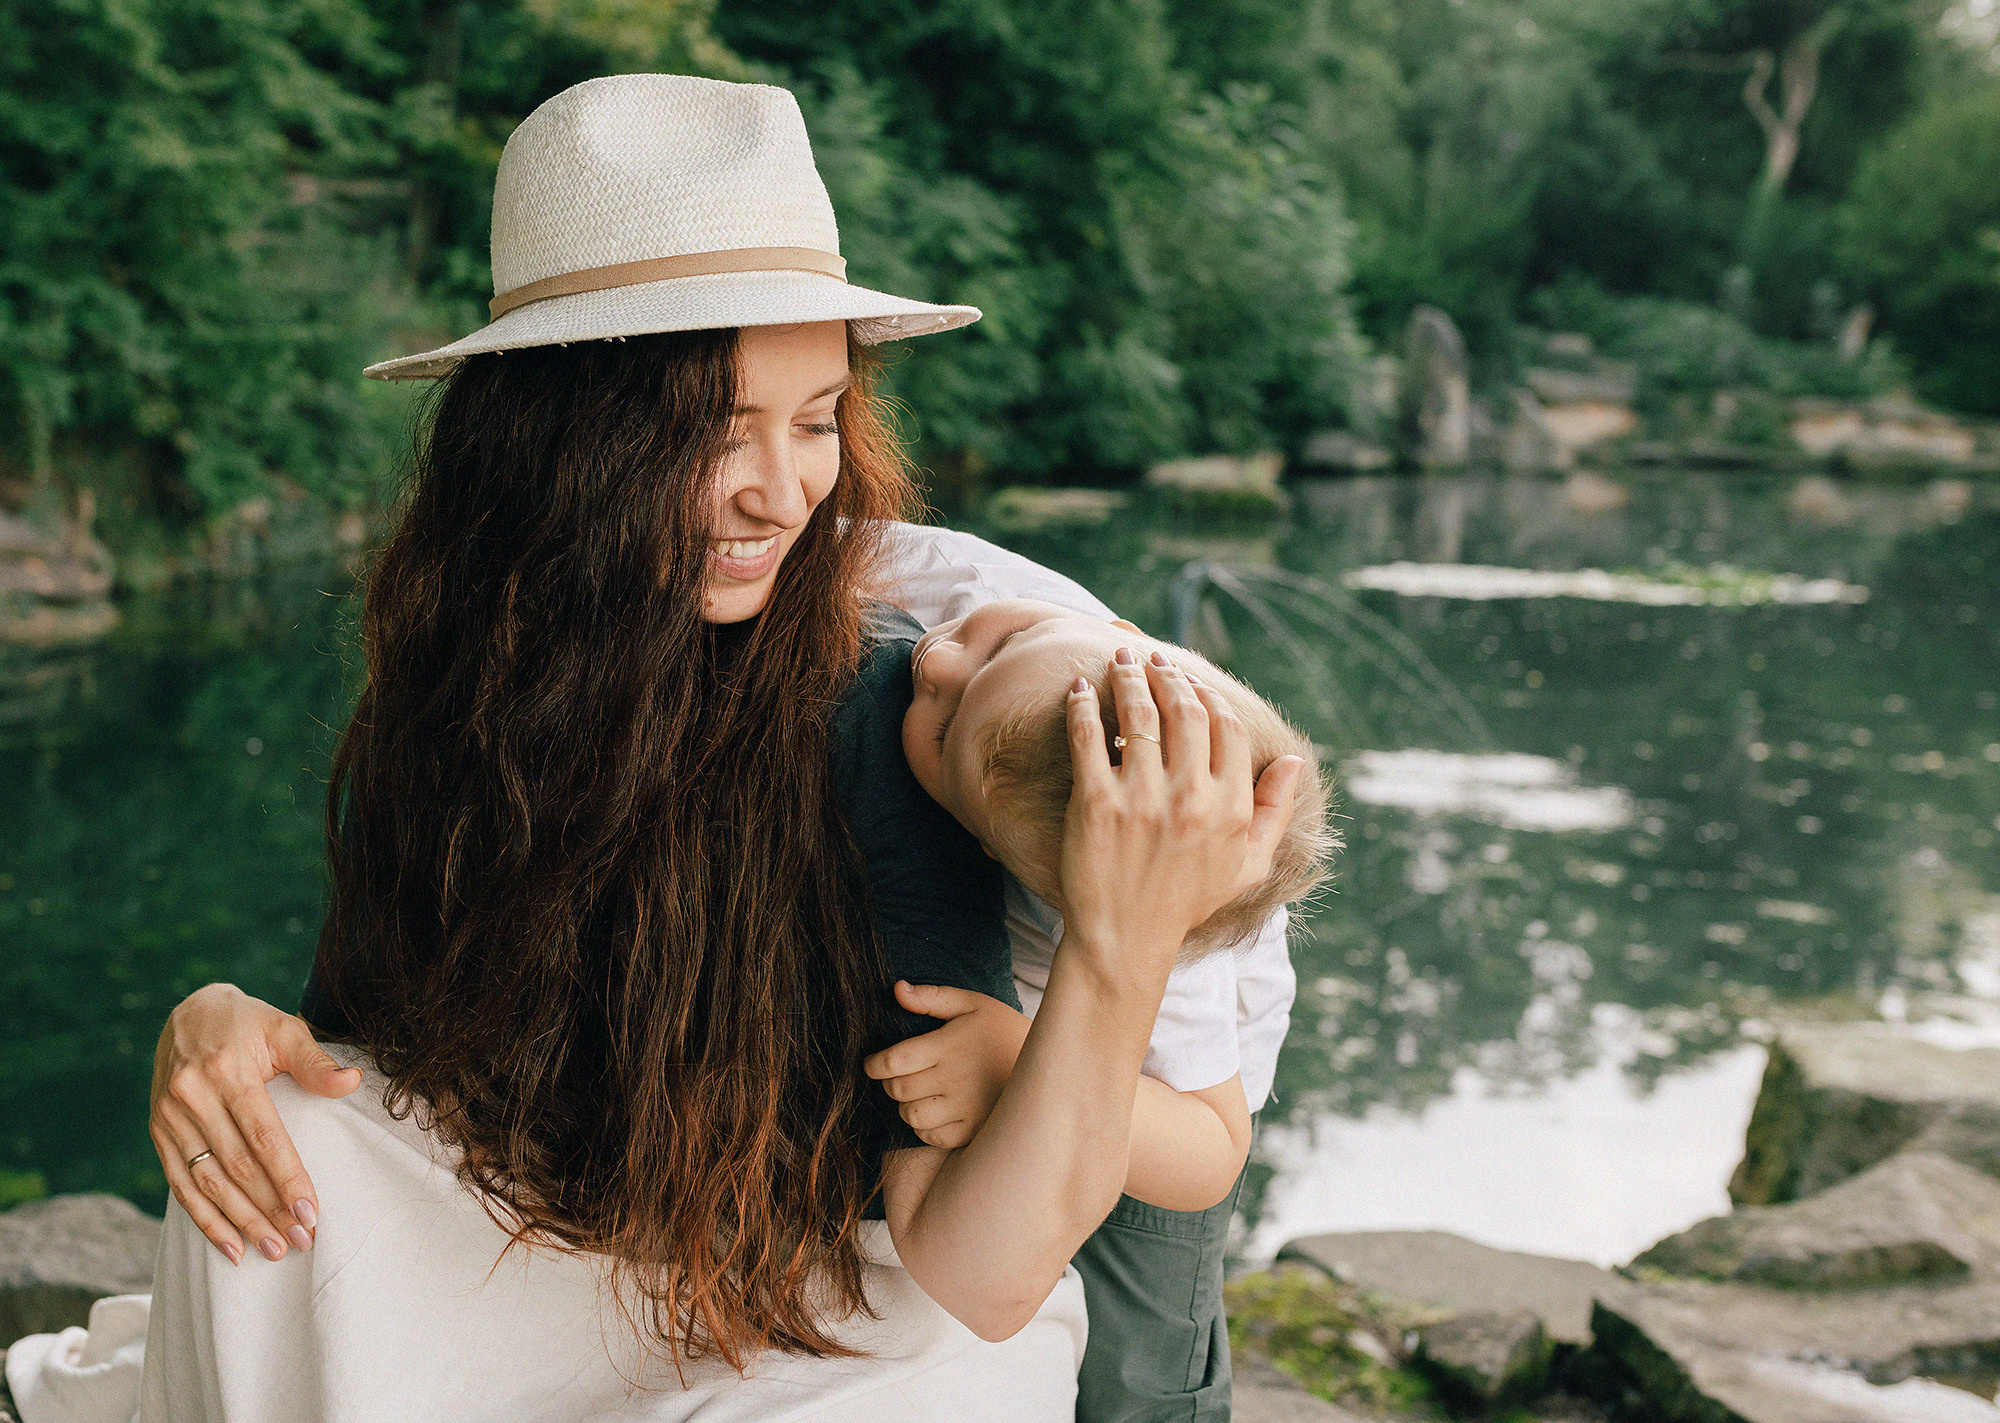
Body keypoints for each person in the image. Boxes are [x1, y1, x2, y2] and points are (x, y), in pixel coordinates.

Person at [4, 74, 1303, 1423]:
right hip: (602, 1230)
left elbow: (981, 1273)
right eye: (711, 430)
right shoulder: (466, 667)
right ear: (564, 440)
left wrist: (1118, 943)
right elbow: (365, 1052)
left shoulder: (893, 701)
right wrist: (217, 1024)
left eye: (813, 423)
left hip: (848, 1287)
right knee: (294, 1159)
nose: (781, 488)